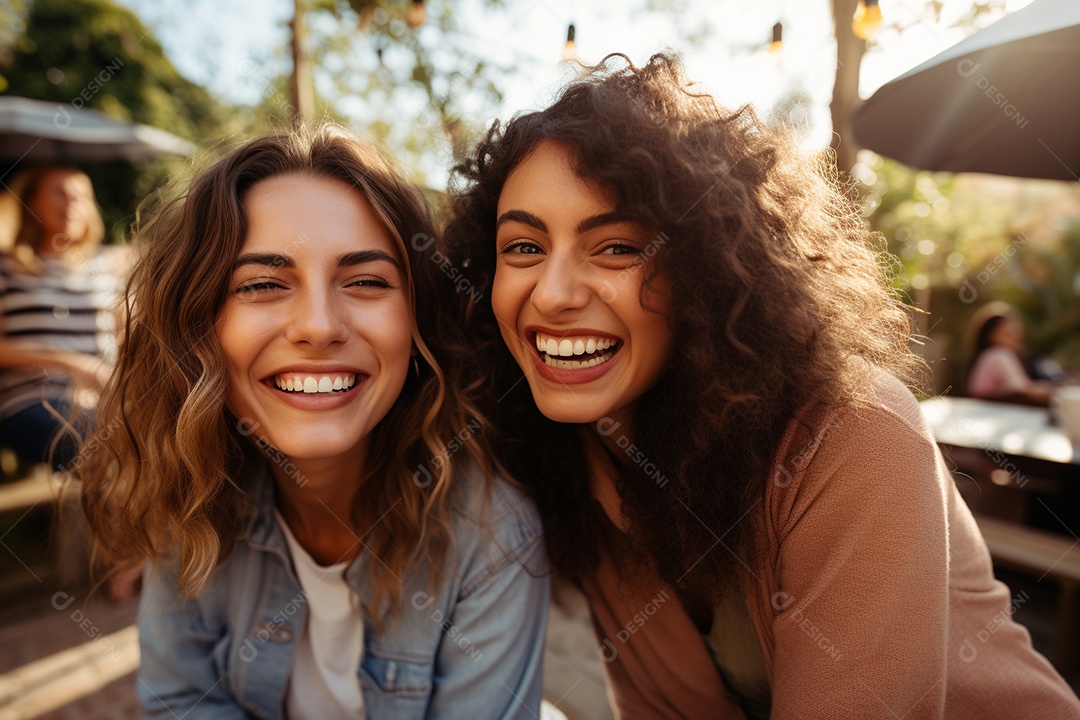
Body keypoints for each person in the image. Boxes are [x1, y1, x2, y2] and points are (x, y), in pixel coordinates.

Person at [445, 54, 1080, 718]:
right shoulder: (573, 460)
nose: (551, 294)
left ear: (707, 270)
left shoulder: (857, 436)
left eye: (617, 248)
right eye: (522, 248)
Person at [78, 125, 548, 719]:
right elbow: (178, 701)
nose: (319, 326)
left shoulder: (492, 534)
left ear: (418, 321)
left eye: (366, 281)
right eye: (264, 284)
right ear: (199, 327)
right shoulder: (191, 489)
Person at [0, 166, 121, 471]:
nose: (71, 205)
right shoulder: (7, 266)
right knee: (113, 449)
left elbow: (125, 337)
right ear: (31, 202)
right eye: (59, 194)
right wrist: (73, 363)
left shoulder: (104, 268)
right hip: (32, 399)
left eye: (80, 196)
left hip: (104, 398)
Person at [966, 302, 1058, 406]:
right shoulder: (999, 354)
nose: (1016, 338)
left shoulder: (988, 355)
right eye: (1008, 333)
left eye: (1017, 333)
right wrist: (1060, 391)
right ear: (991, 336)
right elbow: (1024, 390)